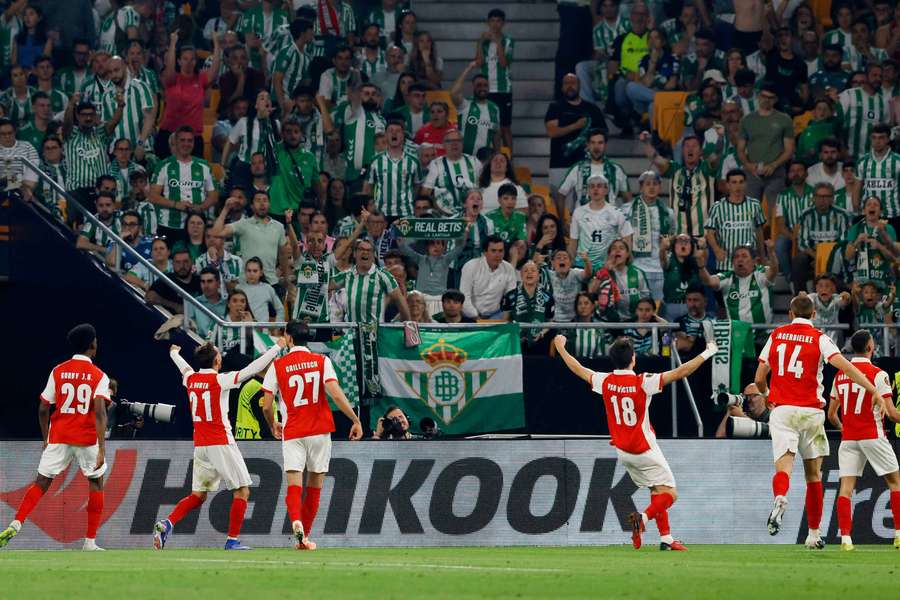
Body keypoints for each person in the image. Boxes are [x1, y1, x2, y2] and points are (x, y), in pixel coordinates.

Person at [553, 334, 719, 551]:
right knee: (670, 493)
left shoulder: (605, 381)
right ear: (633, 359)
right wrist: (708, 351)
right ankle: (643, 518)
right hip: (644, 448)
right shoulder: (643, 381)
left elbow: (578, 368)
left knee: (656, 488)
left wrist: (561, 348)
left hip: (623, 451)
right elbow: (682, 371)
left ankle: (666, 538)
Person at [755, 294, 879, 548]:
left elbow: (759, 377)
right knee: (814, 476)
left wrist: (767, 395)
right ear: (814, 315)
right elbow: (845, 367)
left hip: (783, 410)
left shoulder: (777, 335)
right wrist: (871, 388)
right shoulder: (820, 338)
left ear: (790, 314)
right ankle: (813, 535)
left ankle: (780, 496)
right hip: (811, 413)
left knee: (784, 468)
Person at [153, 337, 286, 551]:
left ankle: (167, 523)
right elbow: (252, 369)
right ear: (217, 361)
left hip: (201, 446)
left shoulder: (191, 379)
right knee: (242, 491)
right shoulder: (220, 380)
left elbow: (184, 368)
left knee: (198, 496)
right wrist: (276, 348)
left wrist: (174, 354)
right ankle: (232, 540)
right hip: (220, 442)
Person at [0, 324, 110, 551]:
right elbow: (100, 411)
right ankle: (90, 542)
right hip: (86, 438)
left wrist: (45, 438)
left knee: (41, 482)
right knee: (95, 483)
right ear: (92, 345)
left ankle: (16, 522)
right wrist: (101, 448)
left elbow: (43, 407)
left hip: (59, 435)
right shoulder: (99, 376)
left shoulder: (58, 371)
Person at [262, 320, 363, 549]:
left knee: (294, 484)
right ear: (308, 338)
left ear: (288, 337)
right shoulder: (321, 361)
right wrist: (355, 420)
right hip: (319, 430)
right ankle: (304, 537)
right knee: (315, 486)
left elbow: (267, 406)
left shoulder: (277, 366)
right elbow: (336, 395)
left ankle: (296, 521)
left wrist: (273, 424)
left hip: (293, 430)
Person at [827, 330, 900, 551]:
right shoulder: (879, 374)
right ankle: (898, 535)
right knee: (895, 483)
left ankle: (846, 540)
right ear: (870, 348)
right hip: (873, 435)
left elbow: (831, 415)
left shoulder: (840, 375)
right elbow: (891, 414)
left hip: (849, 440)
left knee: (846, 489)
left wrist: (847, 428)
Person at [639, 132, 716, 240]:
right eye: (687, 146)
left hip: (704, 237)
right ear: (682, 151)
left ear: (700, 151)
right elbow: (656, 159)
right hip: (678, 237)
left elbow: (714, 158)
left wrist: (715, 141)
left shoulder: (706, 169)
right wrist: (646, 143)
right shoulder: (674, 169)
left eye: (694, 146)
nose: (690, 149)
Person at [157, 31, 222, 158]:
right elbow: (169, 66)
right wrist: (173, 43)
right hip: (170, 134)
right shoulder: (172, 79)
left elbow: (214, 72)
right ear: (179, 61)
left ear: (195, 62)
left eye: (192, 59)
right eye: (185, 59)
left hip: (193, 137)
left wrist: (216, 43)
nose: (188, 62)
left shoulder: (201, 79)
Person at [149, 126, 219, 243]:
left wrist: (200, 207)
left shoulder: (204, 166)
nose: (186, 144)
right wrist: (176, 204)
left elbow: (214, 196)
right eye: (182, 140)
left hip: (197, 226)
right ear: (175, 142)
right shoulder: (163, 165)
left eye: (189, 140)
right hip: (168, 225)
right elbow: (152, 196)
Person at [544, 73, 607, 201]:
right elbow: (552, 131)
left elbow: (604, 135)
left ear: (579, 86)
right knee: (561, 206)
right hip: (560, 164)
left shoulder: (592, 109)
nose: (570, 86)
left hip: (587, 165)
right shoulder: (555, 107)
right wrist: (575, 126)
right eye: (567, 83)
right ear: (562, 87)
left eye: (573, 83)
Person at [212, 190, 290, 289]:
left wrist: (287, 279)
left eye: (265, 200)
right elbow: (217, 232)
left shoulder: (279, 227)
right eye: (258, 200)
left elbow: (283, 255)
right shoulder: (243, 224)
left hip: (271, 282)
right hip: (246, 283)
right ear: (252, 206)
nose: (262, 204)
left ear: (269, 204)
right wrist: (226, 209)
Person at [736, 82, 794, 208]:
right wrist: (748, 165)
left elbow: (789, 150)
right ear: (758, 96)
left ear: (776, 100)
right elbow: (740, 149)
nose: (766, 100)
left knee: (774, 212)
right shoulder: (747, 120)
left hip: (776, 173)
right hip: (752, 173)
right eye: (764, 96)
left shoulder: (784, 119)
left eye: (770, 97)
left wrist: (774, 165)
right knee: (749, 211)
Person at [63, 96, 125, 211]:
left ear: (95, 116)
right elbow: (66, 123)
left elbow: (113, 123)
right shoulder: (71, 134)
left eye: (91, 114)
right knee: (77, 227)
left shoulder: (100, 133)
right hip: (76, 191)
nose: (88, 118)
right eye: (84, 115)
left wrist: (121, 106)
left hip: (100, 192)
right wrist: (71, 105)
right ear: (77, 116)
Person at [792, 183, 852, 294]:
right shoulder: (806, 215)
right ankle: (801, 299)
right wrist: (817, 257)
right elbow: (803, 243)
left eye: (826, 196)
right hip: (812, 254)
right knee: (799, 260)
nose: (822, 200)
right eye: (819, 196)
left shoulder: (842, 214)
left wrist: (825, 259)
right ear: (814, 198)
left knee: (844, 258)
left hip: (835, 253)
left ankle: (839, 297)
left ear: (832, 198)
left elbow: (844, 242)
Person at [704, 169, 766, 272]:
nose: (738, 186)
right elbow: (709, 233)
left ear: (746, 184)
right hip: (725, 264)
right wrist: (716, 250)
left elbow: (759, 232)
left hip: (749, 264)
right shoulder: (717, 207)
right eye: (734, 182)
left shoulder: (755, 205)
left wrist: (762, 257)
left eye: (741, 182)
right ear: (728, 185)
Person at [567, 174, 633, 271]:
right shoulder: (578, 212)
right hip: (581, 265)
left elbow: (627, 238)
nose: (595, 189)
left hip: (606, 266)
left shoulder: (617, 213)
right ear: (588, 191)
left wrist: (622, 264)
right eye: (592, 186)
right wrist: (571, 264)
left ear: (606, 190)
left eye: (599, 186)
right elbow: (573, 242)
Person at [623, 171, 672, 299]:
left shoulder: (669, 213)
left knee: (658, 311)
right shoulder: (626, 210)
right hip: (637, 268)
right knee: (638, 310)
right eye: (648, 184)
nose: (651, 187)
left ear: (660, 187)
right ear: (641, 187)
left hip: (660, 269)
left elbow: (673, 238)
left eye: (655, 184)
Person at [557, 129, 629, 212]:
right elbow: (561, 194)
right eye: (593, 143)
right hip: (583, 221)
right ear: (587, 145)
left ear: (605, 145)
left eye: (600, 143)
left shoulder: (616, 169)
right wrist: (562, 222)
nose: (596, 147)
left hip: (609, 222)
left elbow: (628, 199)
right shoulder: (578, 168)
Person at [364, 120, 420, 218]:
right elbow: (368, 188)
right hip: (381, 214)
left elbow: (417, 186)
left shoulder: (413, 161)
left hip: (406, 213)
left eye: (398, 131)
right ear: (385, 135)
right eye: (390, 131)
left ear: (403, 135)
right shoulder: (375, 161)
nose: (394, 133)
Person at [476, 8, 514, 151]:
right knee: (489, 125)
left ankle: (509, 158)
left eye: (498, 21)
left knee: (505, 126)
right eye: (492, 21)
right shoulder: (483, 41)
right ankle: (493, 155)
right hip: (486, 89)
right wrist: (480, 42)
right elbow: (479, 62)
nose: (495, 24)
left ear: (503, 23)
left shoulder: (508, 41)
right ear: (488, 23)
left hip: (503, 89)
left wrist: (497, 42)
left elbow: (504, 63)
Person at [835, 63, 889, 159]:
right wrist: (842, 149)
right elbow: (837, 123)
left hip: (872, 158)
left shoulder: (884, 102)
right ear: (866, 76)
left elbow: (885, 130)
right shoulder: (849, 94)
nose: (878, 79)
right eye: (874, 75)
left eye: (881, 76)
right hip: (848, 156)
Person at [421, 129, 481, 215]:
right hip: (444, 215)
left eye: (458, 140)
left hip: (472, 214)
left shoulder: (474, 161)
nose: (454, 144)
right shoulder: (436, 164)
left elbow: (484, 187)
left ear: (462, 143)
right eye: (450, 141)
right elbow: (425, 192)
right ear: (443, 145)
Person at [459, 234, 518, 320]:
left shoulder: (508, 268)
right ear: (484, 252)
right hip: (470, 315)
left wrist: (504, 320)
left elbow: (511, 298)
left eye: (500, 251)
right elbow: (464, 298)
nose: (498, 255)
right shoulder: (471, 266)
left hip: (496, 315)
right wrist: (477, 318)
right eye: (493, 251)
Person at [450, 62, 501, 158]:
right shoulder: (465, 104)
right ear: (473, 87)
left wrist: (497, 154)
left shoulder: (494, 108)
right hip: (464, 157)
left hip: (484, 160)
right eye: (479, 85)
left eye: (485, 85)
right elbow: (454, 93)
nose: (482, 88)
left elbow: (496, 133)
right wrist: (468, 68)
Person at [857, 124, 900, 232]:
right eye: (874, 137)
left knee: (893, 247)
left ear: (888, 139)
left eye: (881, 138)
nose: (877, 141)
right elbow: (857, 189)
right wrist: (858, 210)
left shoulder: (898, 161)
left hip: (893, 215)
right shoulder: (863, 161)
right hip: (869, 216)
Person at [146, 247, 202, 314]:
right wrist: (175, 306)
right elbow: (150, 297)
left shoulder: (200, 281)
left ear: (191, 262)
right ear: (173, 264)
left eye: (185, 261)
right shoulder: (166, 280)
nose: (182, 266)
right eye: (178, 262)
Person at [185, 267, 228, 339]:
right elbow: (189, 329)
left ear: (218, 283)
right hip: (201, 344)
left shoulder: (228, 303)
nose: (206, 286)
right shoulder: (193, 302)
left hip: (225, 343)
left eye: (210, 281)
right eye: (203, 282)